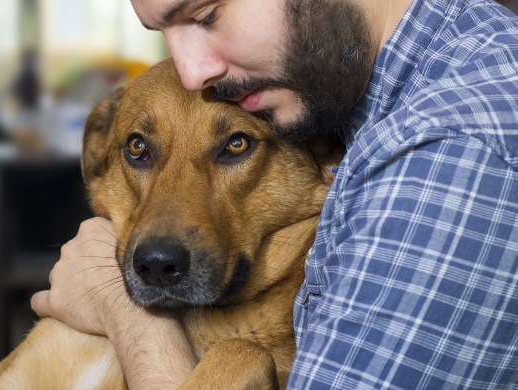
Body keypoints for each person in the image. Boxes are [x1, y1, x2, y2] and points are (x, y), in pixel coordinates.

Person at [31, 0, 518, 388]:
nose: (190, 72)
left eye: (207, 15)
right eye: (163, 33)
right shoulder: (358, 99)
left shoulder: (449, 153)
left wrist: (129, 319)